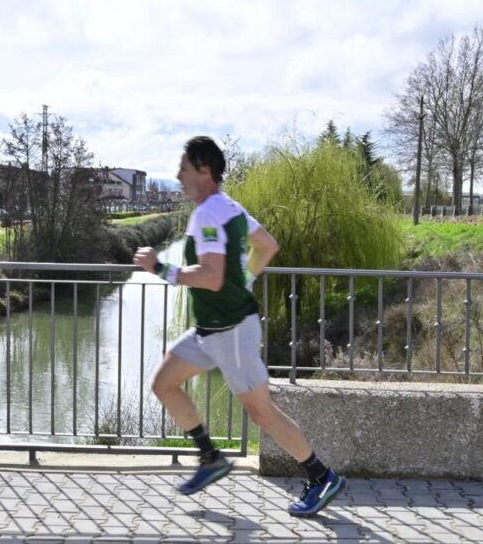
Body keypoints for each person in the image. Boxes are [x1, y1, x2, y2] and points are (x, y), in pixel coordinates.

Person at [133, 136, 345, 517]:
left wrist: (160, 268)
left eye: (183, 169)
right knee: (164, 383)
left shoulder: (208, 214)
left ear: (203, 170)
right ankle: (211, 457)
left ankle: (321, 475)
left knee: (261, 412)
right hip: (211, 329)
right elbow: (267, 245)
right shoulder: (229, 208)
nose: (177, 176)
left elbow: (212, 277)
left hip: (231, 332)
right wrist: (244, 279)